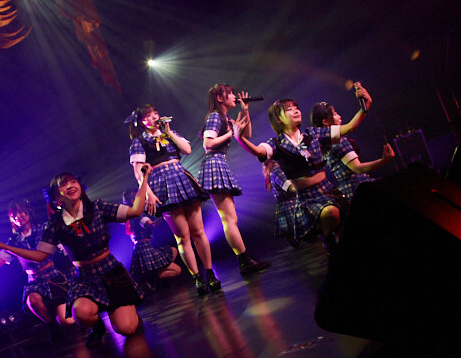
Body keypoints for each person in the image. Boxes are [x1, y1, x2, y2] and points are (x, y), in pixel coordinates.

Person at [0, 166, 154, 346]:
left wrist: (143, 179)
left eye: (73, 181)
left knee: (127, 328)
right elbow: (40, 255)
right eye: (64, 184)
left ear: (80, 187)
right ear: (57, 197)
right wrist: (6, 247)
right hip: (84, 277)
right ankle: (97, 326)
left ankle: (127, 316)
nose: (70, 185)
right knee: (79, 314)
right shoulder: (55, 223)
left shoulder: (97, 207)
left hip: (110, 272)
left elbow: (135, 211)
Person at [234, 84, 373, 253]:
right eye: (289, 109)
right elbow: (259, 151)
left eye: (296, 108)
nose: (296, 111)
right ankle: (330, 244)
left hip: (328, 191)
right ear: (279, 119)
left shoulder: (312, 134)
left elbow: (349, 127)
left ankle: (333, 245)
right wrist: (240, 139)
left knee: (345, 226)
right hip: (307, 199)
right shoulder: (277, 144)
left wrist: (364, 108)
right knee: (331, 213)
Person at [126, 104, 219, 295]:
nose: (154, 117)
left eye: (155, 113)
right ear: (141, 122)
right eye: (148, 115)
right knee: (182, 236)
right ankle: (197, 277)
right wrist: (149, 194)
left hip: (181, 177)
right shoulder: (139, 142)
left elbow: (187, 149)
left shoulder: (169, 133)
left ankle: (210, 273)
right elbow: (138, 172)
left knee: (198, 231)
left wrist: (169, 133)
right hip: (162, 184)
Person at [0, 199, 74, 341]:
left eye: (21, 212)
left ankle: (69, 317)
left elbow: (45, 252)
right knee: (32, 300)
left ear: (28, 212)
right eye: (14, 215)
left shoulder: (43, 229)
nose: (19, 216)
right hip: (35, 281)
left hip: (53, 277)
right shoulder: (14, 241)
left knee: (66, 321)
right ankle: (53, 326)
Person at [198, 84, 271, 275]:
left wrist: (245, 111)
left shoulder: (225, 119)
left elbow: (246, 135)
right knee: (229, 219)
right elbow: (208, 143)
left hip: (218, 163)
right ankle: (245, 261)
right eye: (230, 93)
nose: (234, 96)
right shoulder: (215, 117)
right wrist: (231, 132)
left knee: (231, 218)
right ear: (220, 98)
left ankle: (245, 258)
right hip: (213, 163)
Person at [310, 101, 395, 201]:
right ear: (325, 121)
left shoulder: (324, 144)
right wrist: (383, 160)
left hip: (347, 191)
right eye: (335, 114)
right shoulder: (338, 141)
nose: (339, 116)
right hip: (359, 188)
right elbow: (357, 168)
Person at [122, 188, 182, 290]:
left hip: (140, 248)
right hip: (144, 249)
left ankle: (157, 273)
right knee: (177, 270)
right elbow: (151, 224)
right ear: (133, 201)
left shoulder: (129, 215)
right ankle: (154, 278)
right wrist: (163, 215)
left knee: (173, 250)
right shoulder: (139, 215)